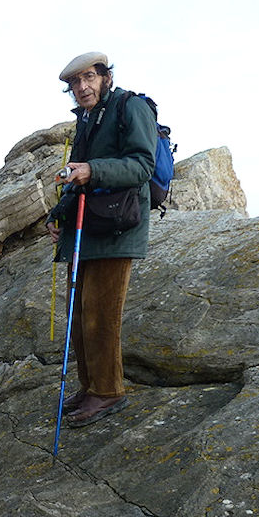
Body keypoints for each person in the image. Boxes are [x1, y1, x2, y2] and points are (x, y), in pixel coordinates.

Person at [45, 52, 156, 427]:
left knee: (101, 314)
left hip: (118, 225)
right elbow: (78, 176)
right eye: (75, 83)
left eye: (88, 77)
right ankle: (90, 386)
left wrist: (93, 169)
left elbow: (143, 165)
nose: (82, 87)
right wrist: (57, 216)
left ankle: (109, 392)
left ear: (105, 76)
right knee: (78, 314)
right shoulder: (87, 121)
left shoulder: (132, 107)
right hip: (87, 227)